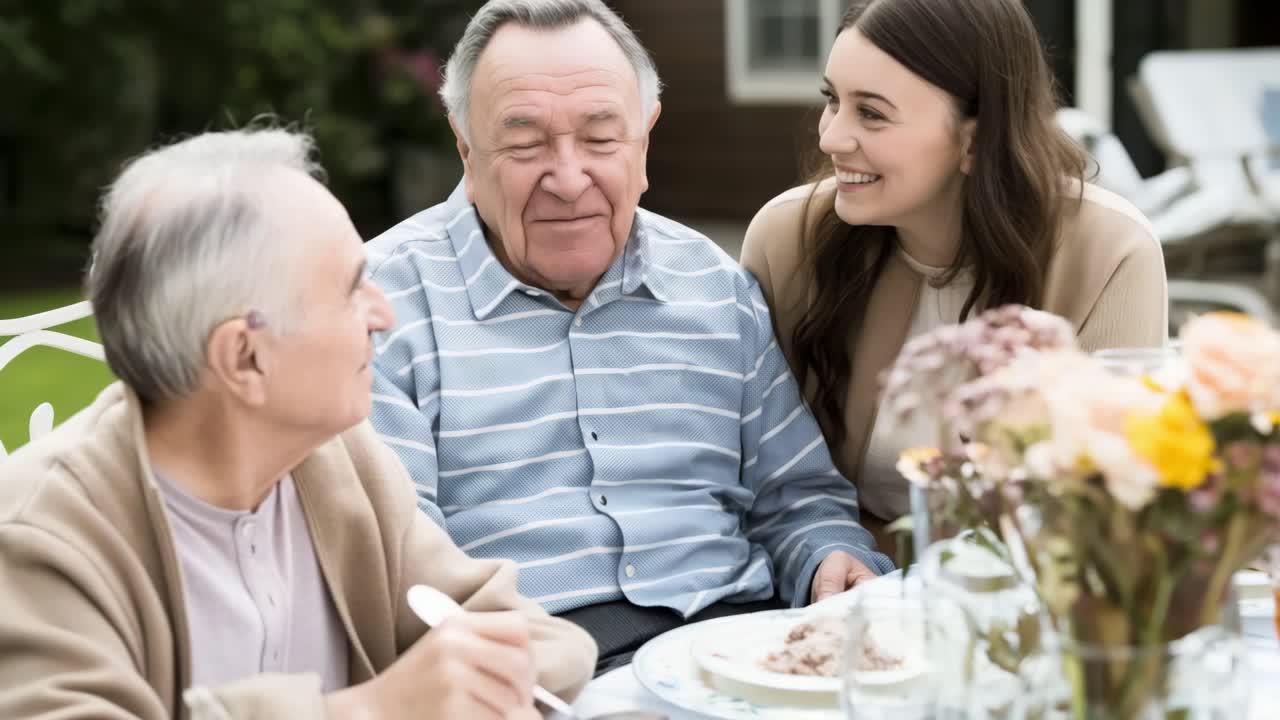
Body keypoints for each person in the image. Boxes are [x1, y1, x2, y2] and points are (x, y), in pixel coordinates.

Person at [366, 0, 892, 674]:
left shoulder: (714, 286)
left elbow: (796, 498)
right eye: (526, 143)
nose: (568, 177)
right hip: (537, 669)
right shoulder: (381, 305)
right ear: (465, 147)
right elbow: (401, 557)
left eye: (600, 137)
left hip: (741, 650)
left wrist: (827, 555)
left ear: (645, 136)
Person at [0, 128, 595, 719]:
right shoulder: (40, 538)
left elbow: (525, 636)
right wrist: (372, 711)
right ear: (245, 358)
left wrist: (476, 679)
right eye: (348, 289)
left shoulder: (336, 461)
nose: (383, 313)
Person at [739, 0, 1168, 549]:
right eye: (832, 100)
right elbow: (759, 480)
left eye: (870, 112)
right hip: (831, 590)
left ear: (974, 138)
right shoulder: (787, 240)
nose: (831, 138)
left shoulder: (1109, 251)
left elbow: (1109, 512)